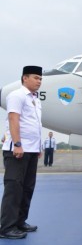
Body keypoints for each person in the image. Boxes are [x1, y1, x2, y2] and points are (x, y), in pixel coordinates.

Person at [0, 66, 42, 239]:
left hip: (31, 150)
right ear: (25, 78)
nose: (39, 81)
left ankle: (19, 222)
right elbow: (13, 119)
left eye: (40, 78)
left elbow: (34, 124)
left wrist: (38, 147)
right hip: (18, 150)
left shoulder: (36, 99)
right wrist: (17, 144)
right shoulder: (17, 95)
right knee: (14, 188)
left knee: (27, 188)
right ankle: (6, 227)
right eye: (36, 78)